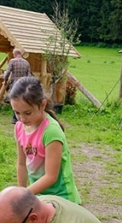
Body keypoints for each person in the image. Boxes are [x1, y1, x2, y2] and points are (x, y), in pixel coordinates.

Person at [10, 75, 80, 204]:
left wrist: (24, 195)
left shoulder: (51, 132)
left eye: (27, 113)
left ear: (42, 105)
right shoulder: (19, 127)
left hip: (62, 198)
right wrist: (21, 192)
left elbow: (50, 177)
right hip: (37, 196)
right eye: (17, 113)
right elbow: (21, 164)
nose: (22, 119)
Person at [2, 48, 32, 122]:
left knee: (14, 99)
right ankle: (22, 117)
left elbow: (8, 72)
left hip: (15, 82)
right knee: (22, 100)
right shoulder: (26, 62)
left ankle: (15, 118)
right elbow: (29, 74)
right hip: (24, 83)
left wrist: (5, 80)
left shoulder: (12, 61)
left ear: (14, 54)